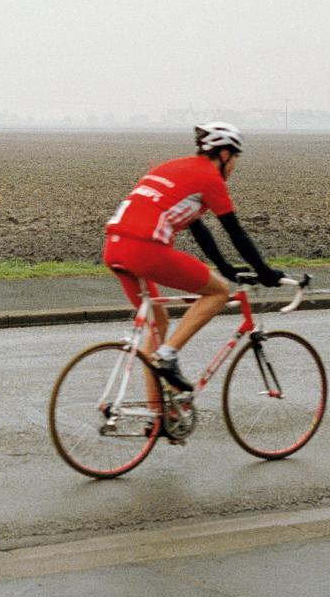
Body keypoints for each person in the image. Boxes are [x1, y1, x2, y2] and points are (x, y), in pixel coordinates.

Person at [102, 121, 286, 404]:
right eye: (235, 158)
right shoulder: (209, 178)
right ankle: (168, 354)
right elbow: (235, 232)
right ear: (224, 155)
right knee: (219, 292)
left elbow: (197, 226)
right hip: (145, 249)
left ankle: (158, 415)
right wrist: (265, 272)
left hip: (114, 249)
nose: (235, 165)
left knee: (158, 323)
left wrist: (225, 266)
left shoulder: (173, 168)